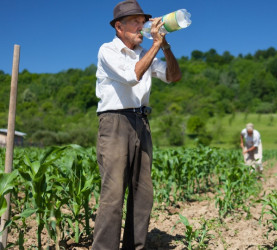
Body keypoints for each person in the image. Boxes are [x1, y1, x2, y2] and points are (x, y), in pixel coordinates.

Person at [92, 0, 182, 249]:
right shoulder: (108, 51)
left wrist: (165, 47)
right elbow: (132, 76)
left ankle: (135, 246)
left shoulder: (147, 53)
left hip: (141, 121)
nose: (141, 26)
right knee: (113, 194)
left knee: (142, 192)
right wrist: (154, 45)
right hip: (115, 122)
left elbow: (174, 76)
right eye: (135, 22)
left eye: (143, 22)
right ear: (119, 27)